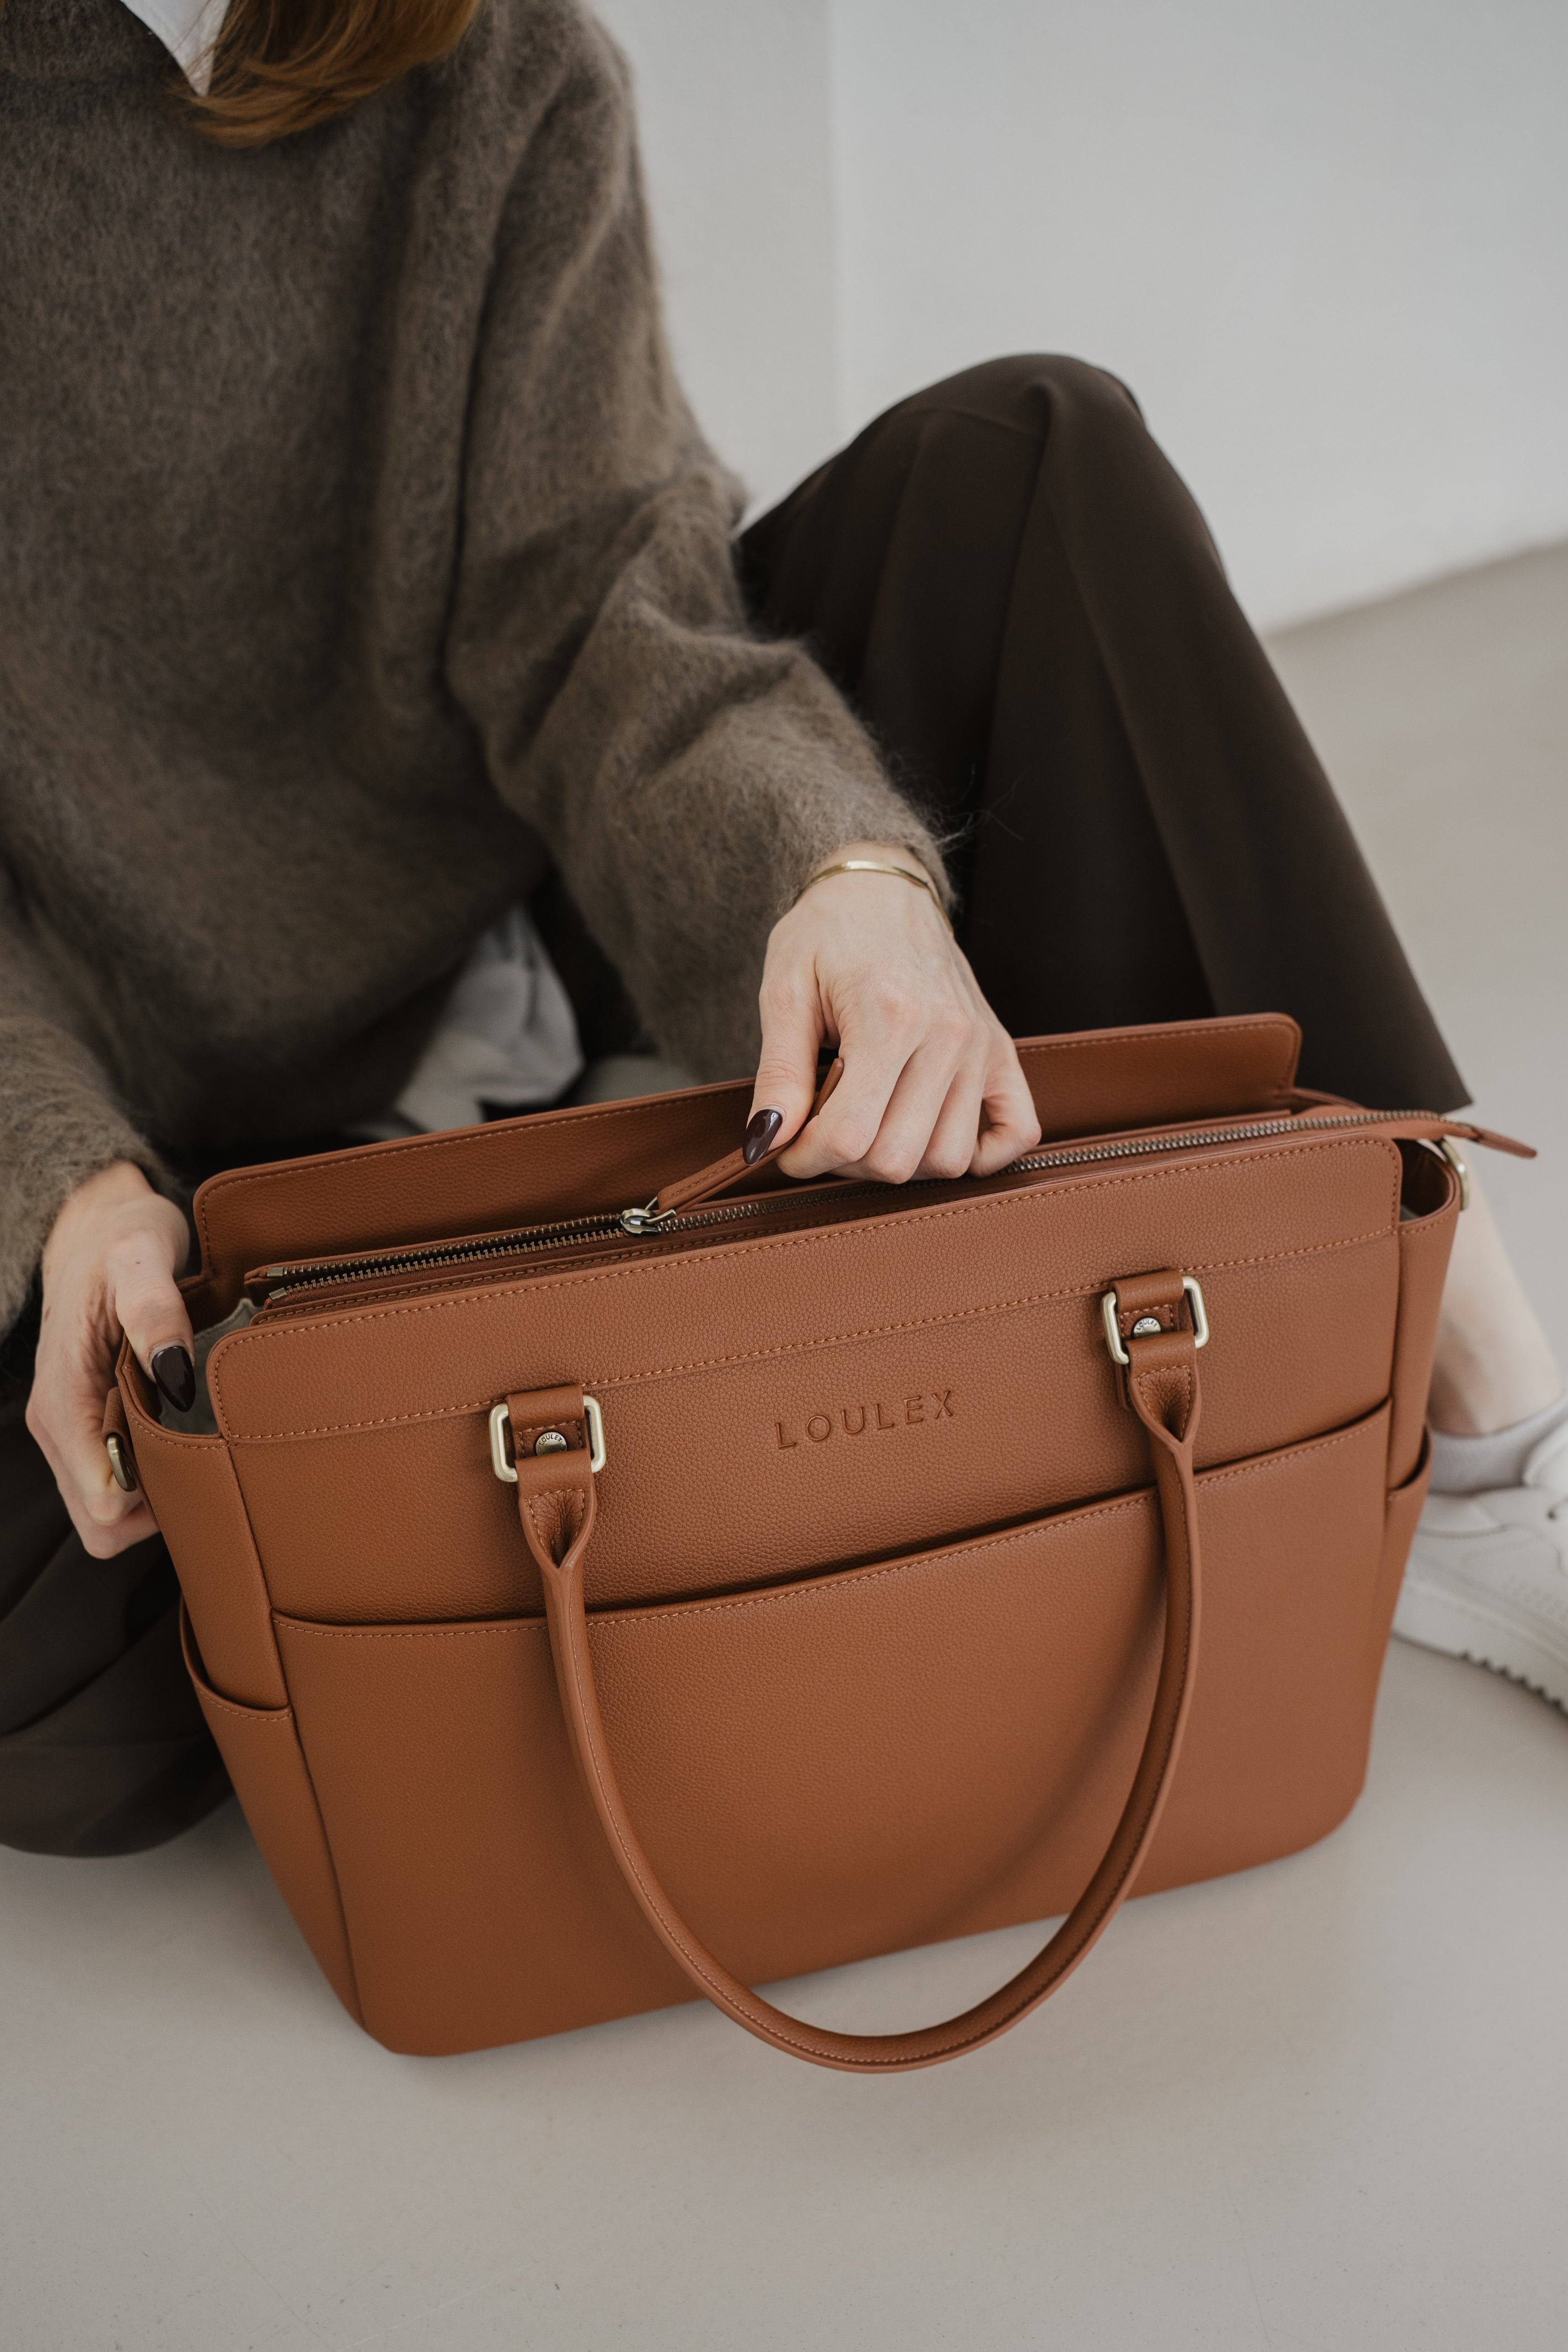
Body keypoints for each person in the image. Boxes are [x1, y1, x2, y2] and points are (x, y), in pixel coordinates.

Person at [1, 0, 1562, 1859]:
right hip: (141, 1115)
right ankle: (597, 1361)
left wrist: (844, 873)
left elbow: (599, 600)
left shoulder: (486, 56)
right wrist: (59, 1181)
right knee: (63, 1712)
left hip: (550, 911)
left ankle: (1485, 1426)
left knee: (1031, 457)